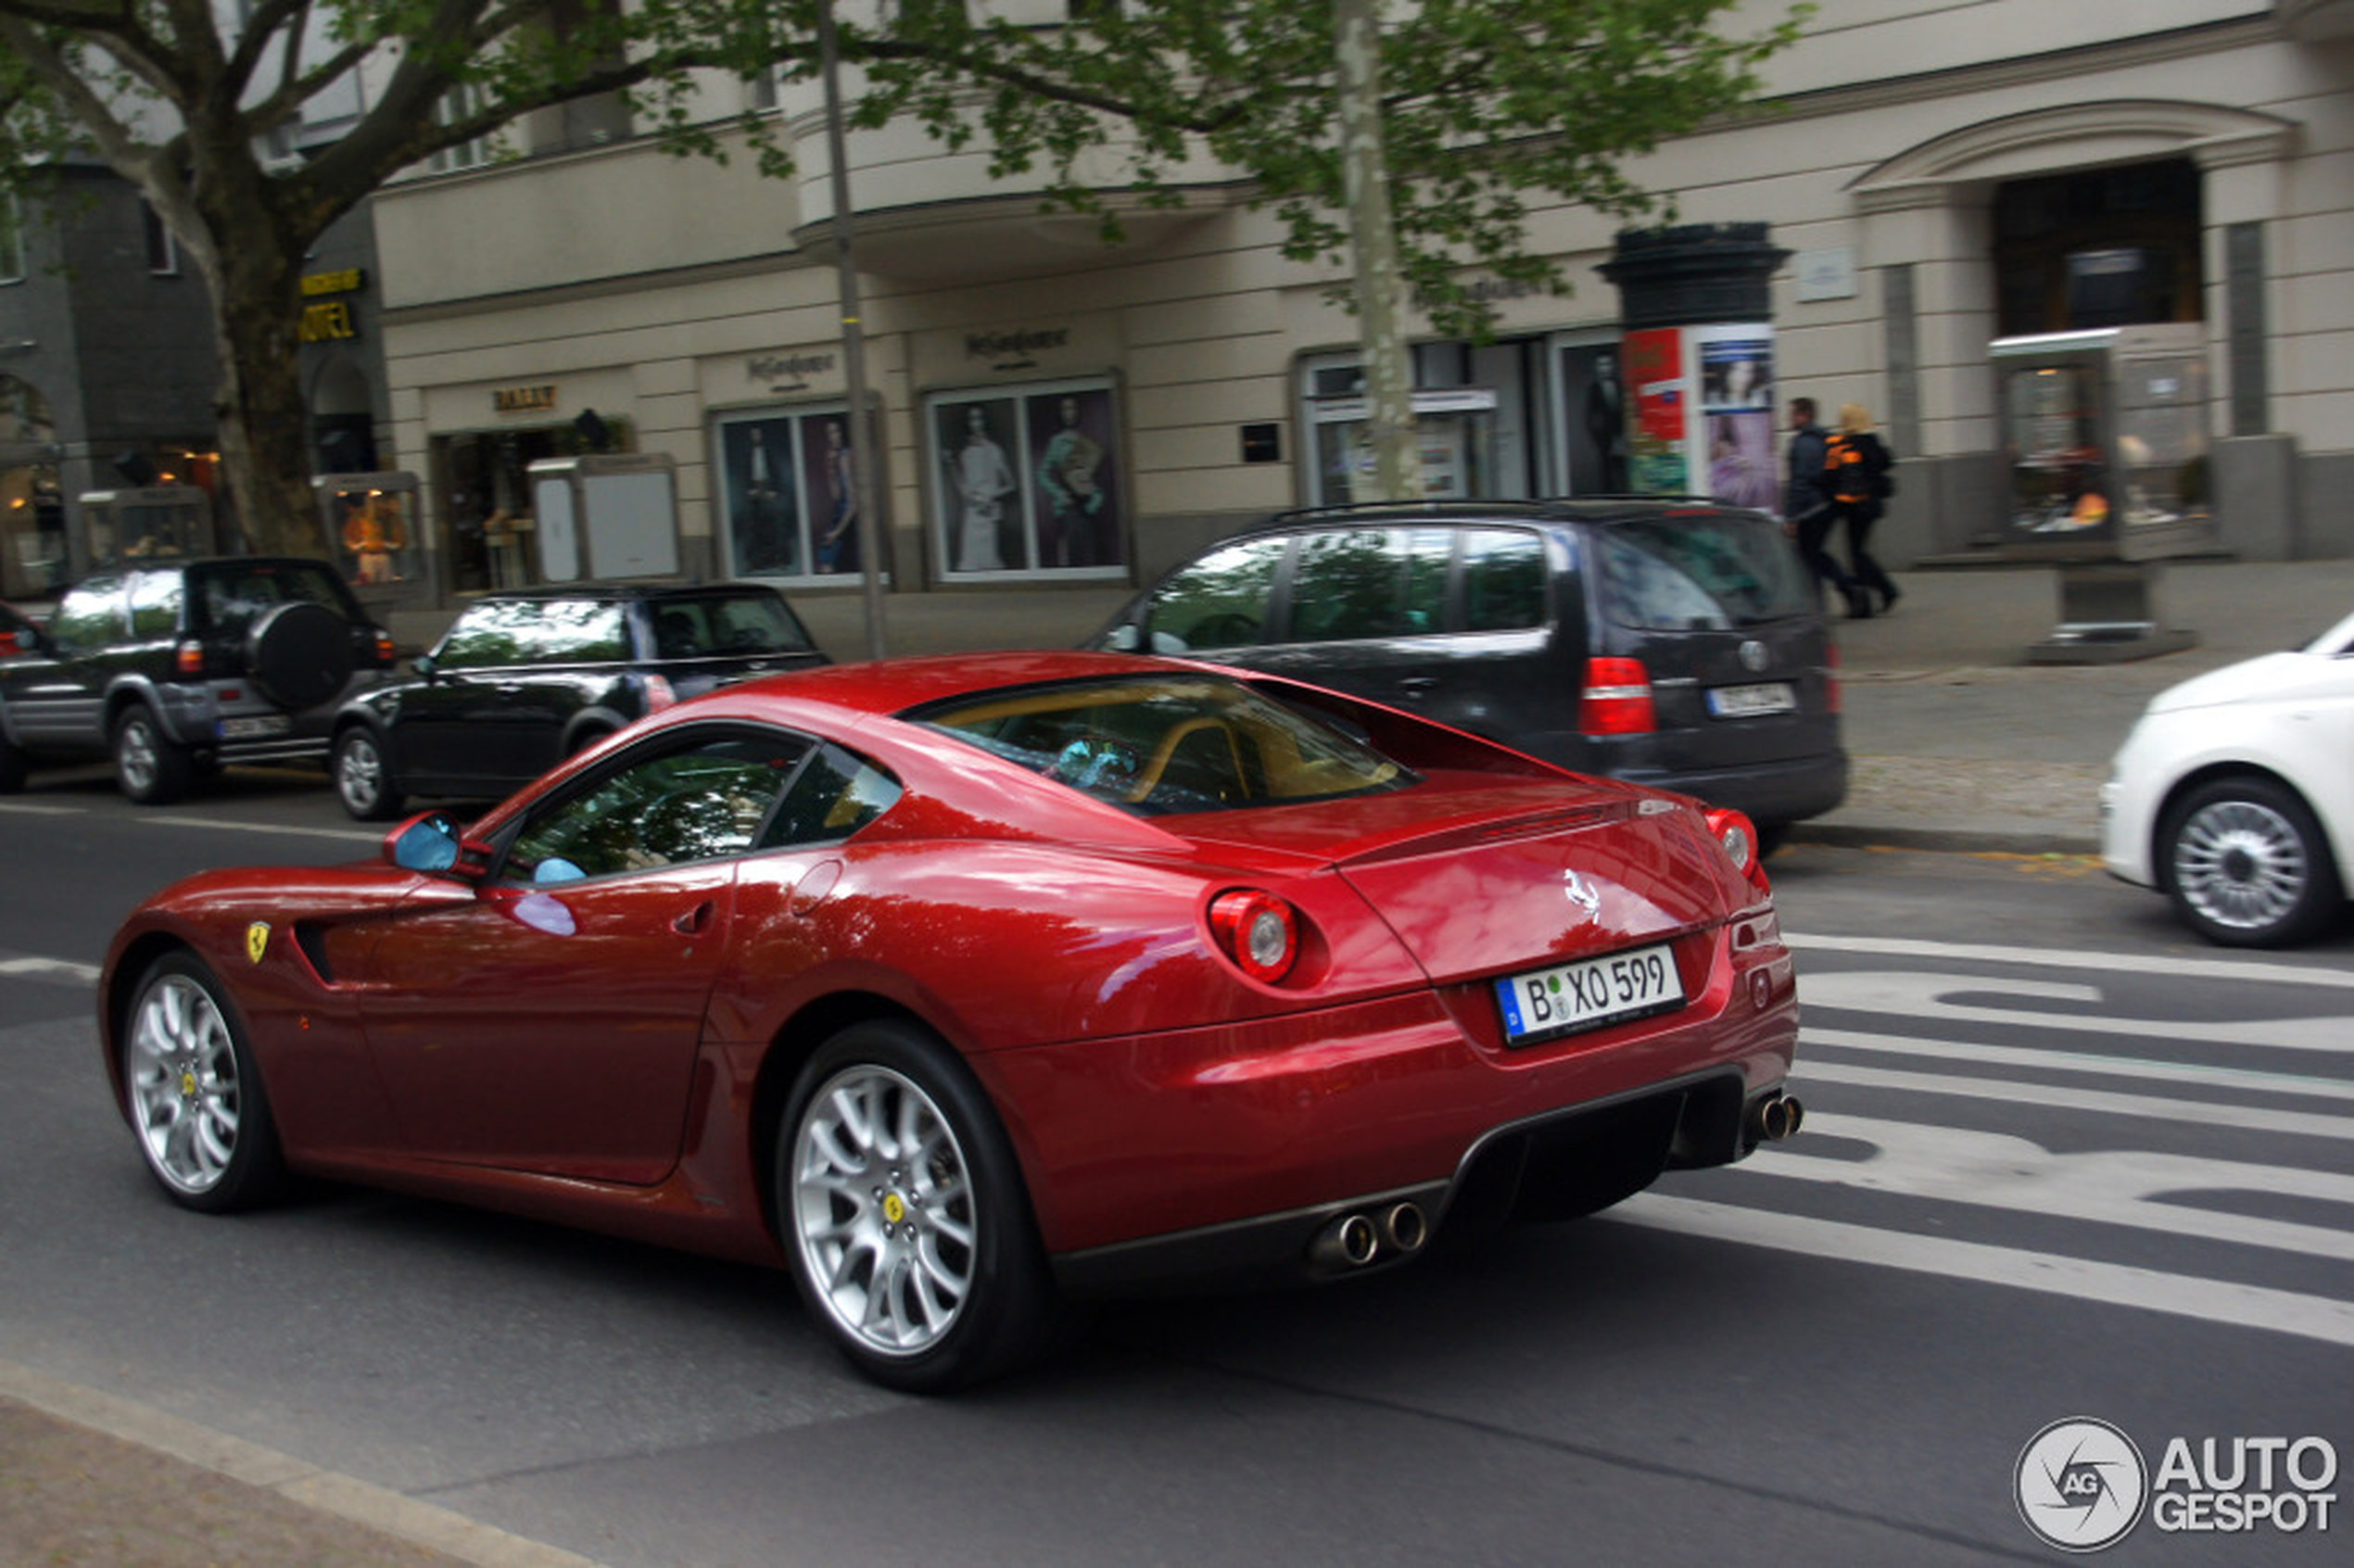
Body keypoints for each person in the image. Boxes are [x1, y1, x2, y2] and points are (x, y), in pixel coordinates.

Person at [1783, 397, 1867, 618]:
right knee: (1813, 554)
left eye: (1792, 414)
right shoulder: (1826, 438)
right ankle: (1842, 591)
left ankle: (1832, 596)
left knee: (1810, 556)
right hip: (1827, 505)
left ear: (1804, 415)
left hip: (1811, 509)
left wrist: (1791, 516)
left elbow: (1799, 482)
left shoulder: (1803, 443)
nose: (1789, 418)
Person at [1824, 402, 1901, 615]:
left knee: (1857, 554)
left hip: (1854, 505)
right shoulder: (1873, 442)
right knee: (1859, 552)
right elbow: (1887, 463)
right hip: (1872, 505)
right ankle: (1882, 592)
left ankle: (1877, 596)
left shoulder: (1848, 444)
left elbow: (1833, 474)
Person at [1036, 396, 1106, 565]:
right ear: (1060, 413)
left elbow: (1092, 476)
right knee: (1073, 557)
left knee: (1091, 557)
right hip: (1069, 507)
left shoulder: (1087, 442)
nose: (1069, 413)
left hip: (1088, 506)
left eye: (1072, 408)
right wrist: (1060, 495)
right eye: (1066, 409)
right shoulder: (1057, 442)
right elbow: (1042, 473)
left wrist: (1095, 500)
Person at [950, 406, 1014, 572]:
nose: (976, 424)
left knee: (989, 560)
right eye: (972, 419)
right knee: (971, 562)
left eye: (979, 419)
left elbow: (1011, 484)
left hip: (988, 512)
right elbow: (964, 489)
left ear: (985, 422)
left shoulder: (994, 450)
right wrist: (951, 466)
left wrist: (991, 495)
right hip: (972, 514)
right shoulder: (966, 453)